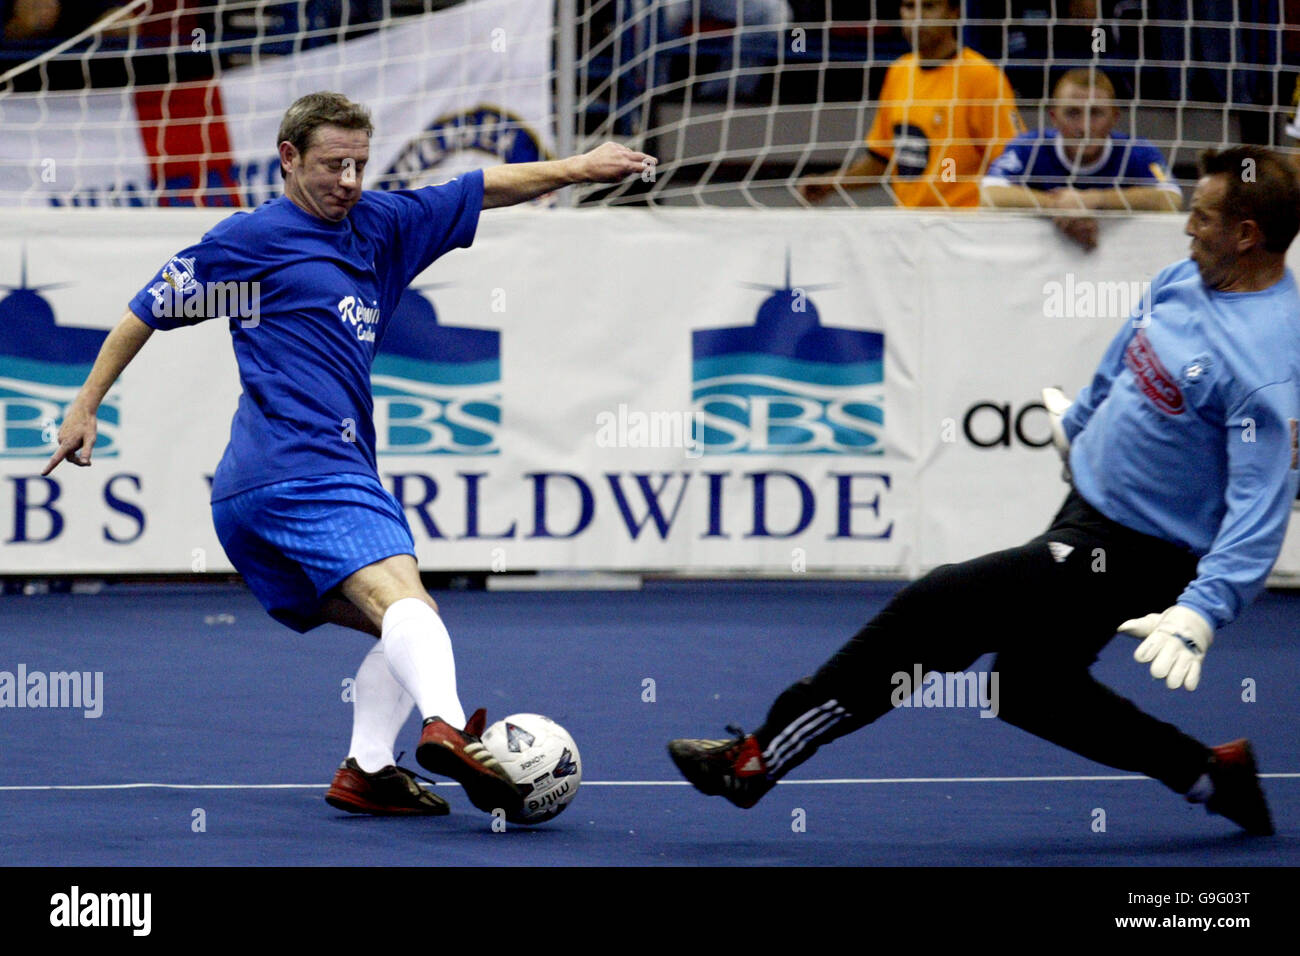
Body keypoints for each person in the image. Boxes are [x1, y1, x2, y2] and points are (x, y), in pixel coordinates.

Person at [43, 91, 656, 819]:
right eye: (334, 164)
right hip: (303, 470)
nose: (350, 181)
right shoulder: (250, 241)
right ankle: (452, 727)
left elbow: (483, 187)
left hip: (252, 496)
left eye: (361, 164)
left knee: (404, 623)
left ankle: (367, 770)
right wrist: (85, 406)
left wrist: (580, 166)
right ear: (289, 159)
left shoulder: (383, 226)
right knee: (407, 605)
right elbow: (145, 312)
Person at [670, 144, 1300, 837]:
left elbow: (1261, 508)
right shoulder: (1185, 279)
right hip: (1090, 511)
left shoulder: (1268, 362)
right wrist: (1081, 427)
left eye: (1204, 218)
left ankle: (756, 760)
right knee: (1029, 690)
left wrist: (1202, 612)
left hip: (1143, 554)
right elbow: (1129, 352)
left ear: (1248, 236)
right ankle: (1214, 775)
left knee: (943, 600)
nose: (1188, 227)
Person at [797, 0, 1023, 209]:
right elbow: (881, 159)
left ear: (954, 13)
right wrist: (831, 183)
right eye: (909, 6)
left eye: (929, 7)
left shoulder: (982, 77)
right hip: (910, 226)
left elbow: (1014, 159)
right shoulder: (899, 71)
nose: (917, 17)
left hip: (963, 228)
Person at [981, 68, 1182, 251]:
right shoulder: (1029, 147)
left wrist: (1094, 199)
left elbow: (1171, 198)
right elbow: (989, 194)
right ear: (1053, 117)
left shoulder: (1136, 151)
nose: (1084, 127)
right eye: (1072, 113)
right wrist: (1059, 205)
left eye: (1095, 113)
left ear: (1115, 117)